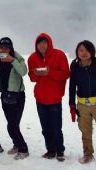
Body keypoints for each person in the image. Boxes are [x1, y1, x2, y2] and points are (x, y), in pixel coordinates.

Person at [69, 40, 96, 166]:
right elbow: (72, 87)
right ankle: (88, 154)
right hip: (82, 105)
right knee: (85, 131)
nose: (84, 53)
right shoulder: (75, 65)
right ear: (77, 52)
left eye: (86, 50)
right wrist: (72, 104)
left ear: (91, 51)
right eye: (81, 50)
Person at [28, 33, 70, 161]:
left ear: (49, 43)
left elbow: (65, 74)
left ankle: (60, 151)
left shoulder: (59, 55)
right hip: (40, 99)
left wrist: (49, 72)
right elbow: (32, 78)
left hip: (55, 98)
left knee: (56, 127)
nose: (42, 45)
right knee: (45, 128)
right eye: (39, 43)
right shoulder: (32, 58)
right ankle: (50, 150)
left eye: (44, 42)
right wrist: (37, 73)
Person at [0, 37, 29, 160]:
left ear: (11, 48)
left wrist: (12, 60)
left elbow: (23, 71)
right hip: (5, 96)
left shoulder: (17, 58)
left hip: (17, 96)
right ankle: (17, 145)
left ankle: (23, 149)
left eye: (7, 47)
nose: (4, 49)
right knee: (12, 124)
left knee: (12, 126)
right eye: (1, 47)